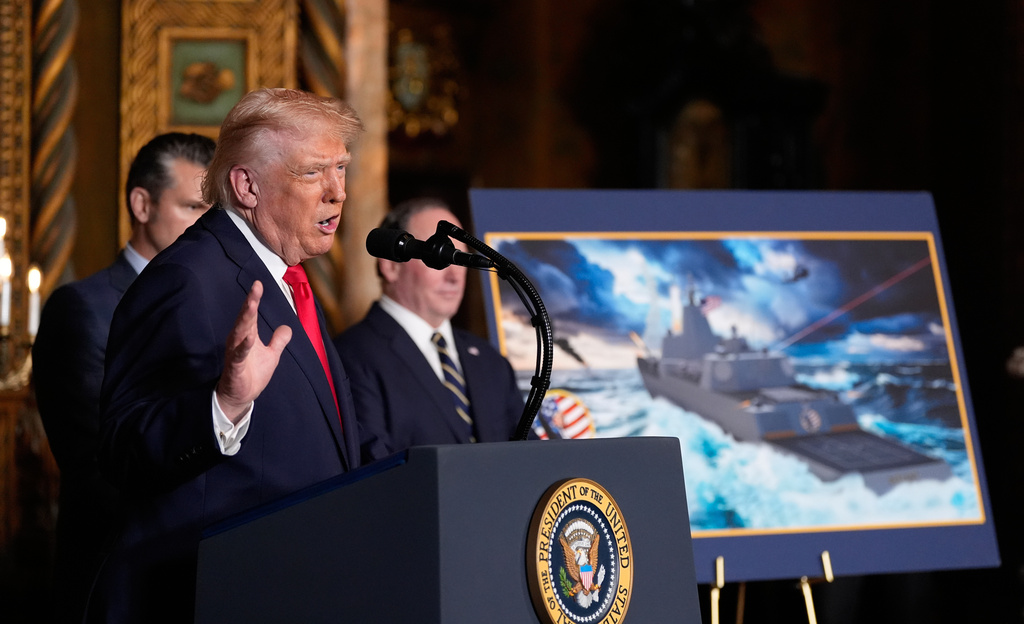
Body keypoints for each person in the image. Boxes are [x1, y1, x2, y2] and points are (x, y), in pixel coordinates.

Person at [90, 88, 366, 622]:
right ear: (246, 186)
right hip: (212, 594)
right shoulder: (186, 278)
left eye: (341, 168)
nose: (337, 193)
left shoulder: (285, 276)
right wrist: (224, 405)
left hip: (297, 585)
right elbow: (123, 451)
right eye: (313, 172)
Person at [32, 131, 215, 623]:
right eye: (192, 208)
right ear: (142, 204)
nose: (207, 225)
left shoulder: (220, 301)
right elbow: (100, 469)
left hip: (210, 572)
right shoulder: (83, 309)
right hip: (123, 584)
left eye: (214, 211)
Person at [334, 198, 525, 463]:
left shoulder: (489, 360)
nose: (454, 276)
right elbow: (372, 469)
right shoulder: (351, 357)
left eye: (461, 259)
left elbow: (527, 459)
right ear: (391, 265)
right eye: (439, 258)